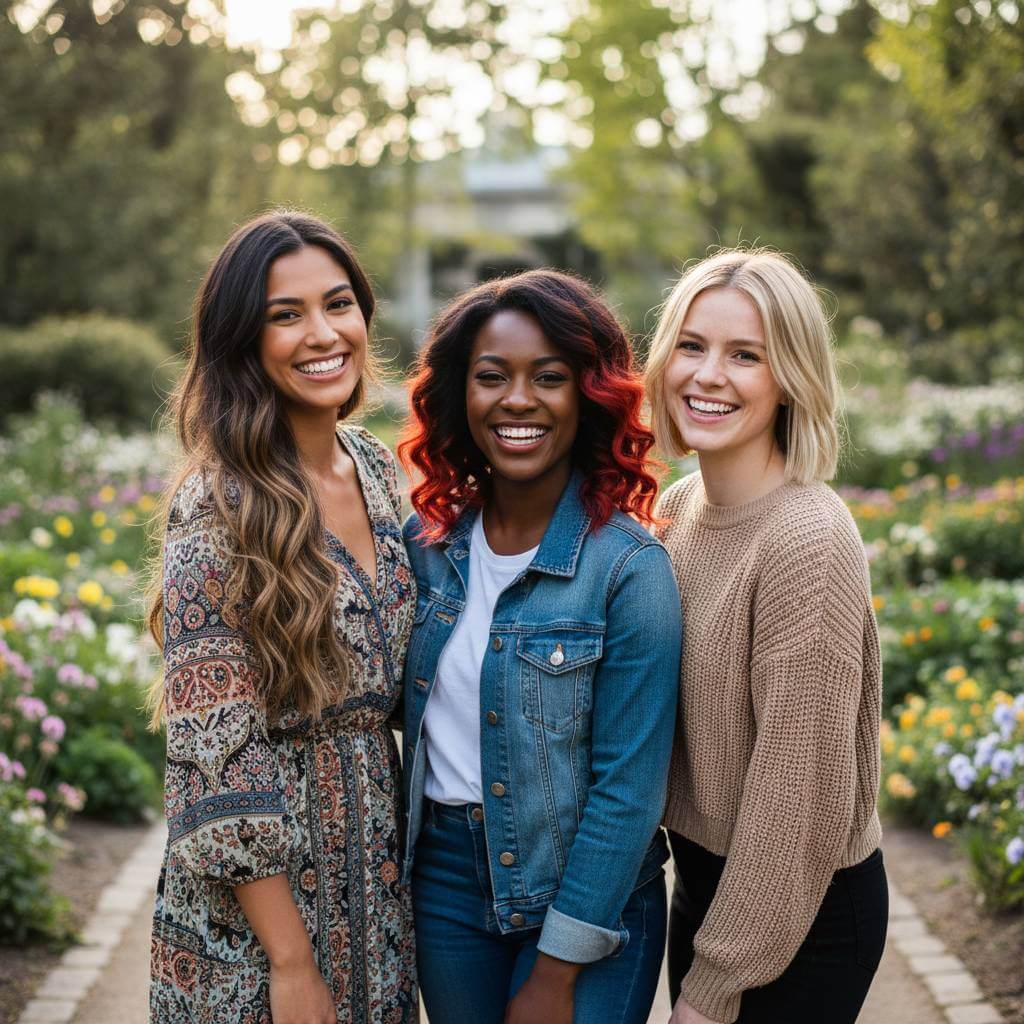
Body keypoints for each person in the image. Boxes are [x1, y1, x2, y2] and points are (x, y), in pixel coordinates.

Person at [147, 212, 417, 1024]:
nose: (322, 333)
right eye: (285, 314)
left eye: (338, 304)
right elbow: (215, 752)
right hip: (255, 921)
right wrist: (291, 962)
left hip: (376, 880)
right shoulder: (216, 503)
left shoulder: (373, 466)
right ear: (243, 340)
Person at [397, 269, 681, 1024]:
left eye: (548, 378)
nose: (517, 399)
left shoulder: (628, 570)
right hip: (446, 889)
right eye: (492, 377)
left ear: (587, 397)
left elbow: (630, 790)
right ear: (462, 394)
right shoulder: (425, 553)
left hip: (587, 897)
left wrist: (556, 970)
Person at [644, 249, 888, 1024]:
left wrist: (712, 992)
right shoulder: (681, 510)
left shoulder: (805, 542)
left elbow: (797, 798)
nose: (708, 375)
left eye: (745, 355)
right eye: (692, 345)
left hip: (806, 906)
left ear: (789, 377)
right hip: (711, 883)